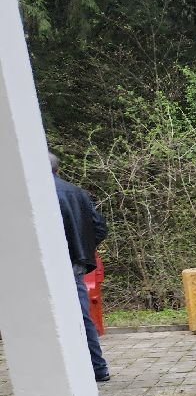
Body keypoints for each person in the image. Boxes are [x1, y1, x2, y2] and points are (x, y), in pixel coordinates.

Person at [50, 152, 110, 383]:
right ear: (58, 169)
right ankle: (98, 368)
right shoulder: (77, 193)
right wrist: (82, 251)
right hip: (74, 262)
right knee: (81, 315)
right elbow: (99, 228)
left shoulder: (33, 195)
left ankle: (56, 371)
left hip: (44, 264)